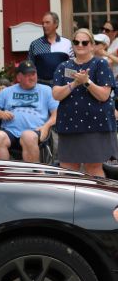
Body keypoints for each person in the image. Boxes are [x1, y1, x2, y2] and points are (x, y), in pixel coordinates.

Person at [52, 29, 118, 177]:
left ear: (92, 45)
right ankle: (69, 200)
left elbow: (103, 95)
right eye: (76, 42)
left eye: (84, 42)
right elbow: (56, 94)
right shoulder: (63, 66)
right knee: (68, 169)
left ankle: (99, 200)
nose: (80, 45)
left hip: (95, 125)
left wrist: (87, 82)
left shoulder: (100, 64)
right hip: (69, 124)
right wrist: (75, 83)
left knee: (93, 168)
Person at [0, 61, 58, 163]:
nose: (32, 77)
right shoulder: (8, 91)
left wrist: (46, 127)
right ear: (19, 77)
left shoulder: (46, 90)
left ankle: (33, 176)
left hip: (35, 131)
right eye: (27, 75)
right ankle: (4, 176)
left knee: (27, 136)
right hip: (10, 131)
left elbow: (57, 113)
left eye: (33, 74)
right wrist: (0, 113)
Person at [27, 12, 73, 87]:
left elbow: (72, 66)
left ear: (56, 24)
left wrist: (70, 84)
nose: (44, 25)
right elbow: (30, 67)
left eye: (47, 22)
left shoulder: (67, 43)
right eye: (43, 23)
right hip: (41, 86)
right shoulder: (35, 44)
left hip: (62, 86)